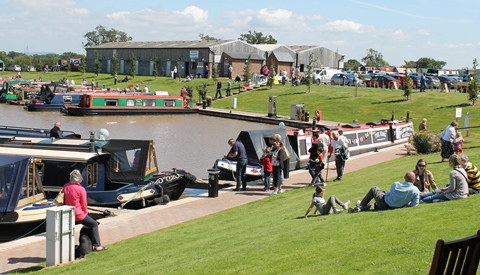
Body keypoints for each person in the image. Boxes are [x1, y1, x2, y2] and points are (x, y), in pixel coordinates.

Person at [63, 170, 107, 251]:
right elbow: (84, 204)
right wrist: (86, 213)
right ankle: (97, 245)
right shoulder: (81, 189)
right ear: (79, 179)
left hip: (68, 214)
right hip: (79, 214)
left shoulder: (66, 187)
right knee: (94, 224)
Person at [353, 172, 420, 212]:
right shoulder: (415, 190)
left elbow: (392, 195)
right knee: (381, 196)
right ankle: (362, 208)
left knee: (374, 189)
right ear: (414, 180)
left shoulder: (396, 184)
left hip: (385, 203)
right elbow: (414, 205)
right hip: (396, 206)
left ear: (405, 178)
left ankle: (362, 205)